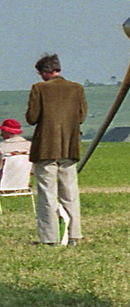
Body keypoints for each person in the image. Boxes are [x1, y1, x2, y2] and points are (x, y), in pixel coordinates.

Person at [26, 53, 86, 246]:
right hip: (70, 146)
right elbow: (81, 116)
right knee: (70, 193)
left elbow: (32, 117)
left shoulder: (39, 88)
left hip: (45, 148)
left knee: (47, 194)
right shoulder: (76, 88)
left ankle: (49, 237)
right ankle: (74, 235)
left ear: (44, 72)